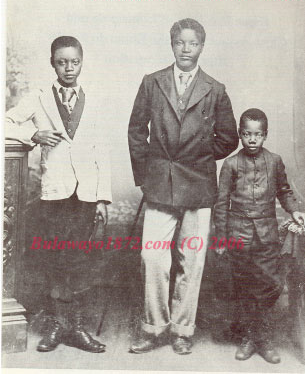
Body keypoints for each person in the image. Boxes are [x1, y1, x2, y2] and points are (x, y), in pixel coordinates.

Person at [128, 18, 239, 354]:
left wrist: (198, 159)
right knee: (152, 257)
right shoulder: (152, 82)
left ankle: (182, 330)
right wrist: (146, 176)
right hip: (160, 184)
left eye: (193, 43)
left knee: (192, 259)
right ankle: (154, 326)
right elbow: (136, 131)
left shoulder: (215, 89)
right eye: (180, 42)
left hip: (198, 186)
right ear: (171, 44)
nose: (186, 49)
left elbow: (229, 138)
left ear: (202, 47)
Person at [6, 36, 112, 353]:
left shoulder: (93, 99)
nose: (69, 67)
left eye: (74, 61)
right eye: (62, 62)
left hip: (86, 193)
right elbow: (5, 122)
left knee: (78, 259)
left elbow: (102, 151)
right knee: (55, 258)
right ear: (53, 63)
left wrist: (103, 198)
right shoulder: (38, 98)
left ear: (82, 61)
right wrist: (33, 134)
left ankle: (74, 327)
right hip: (55, 193)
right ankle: (57, 325)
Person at [213, 108, 305, 364]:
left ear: (265, 135)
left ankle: (257, 336)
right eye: (246, 134)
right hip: (237, 233)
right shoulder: (230, 164)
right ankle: (254, 338)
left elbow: (284, 190)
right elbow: (221, 203)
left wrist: (295, 210)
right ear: (240, 135)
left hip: (266, 234)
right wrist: (221, 236)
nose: (252, 140)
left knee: (269, 284)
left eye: (258, 135)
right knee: (244, 286)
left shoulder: (274, 161)